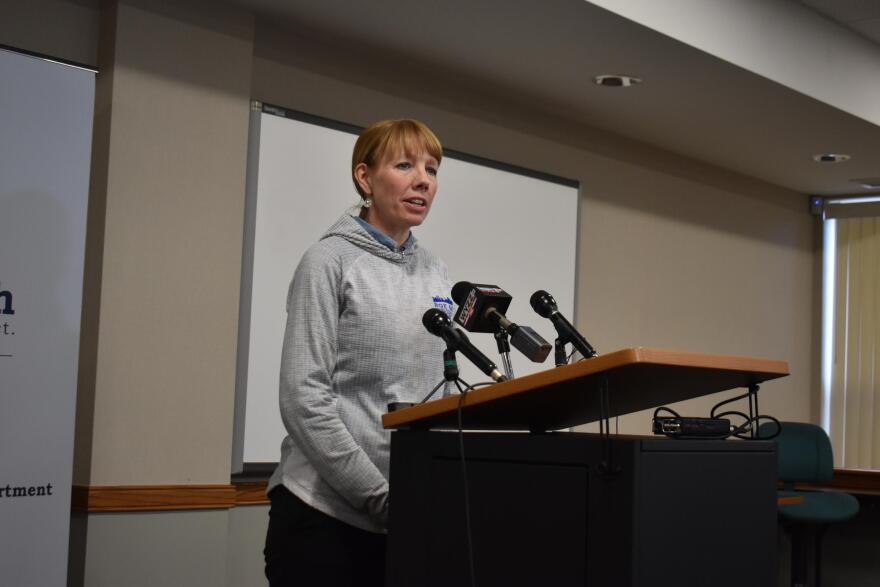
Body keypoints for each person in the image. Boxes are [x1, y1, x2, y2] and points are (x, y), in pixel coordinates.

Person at [263, 119, 454, 587]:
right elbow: (303, 398)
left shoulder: (436, 271)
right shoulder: (328, 261)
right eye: (405, 165)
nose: (423, 180)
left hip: (407, 516)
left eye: (431, 168)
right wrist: (381, 498)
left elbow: (443, 386)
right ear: (365, 178)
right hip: (323, 520)